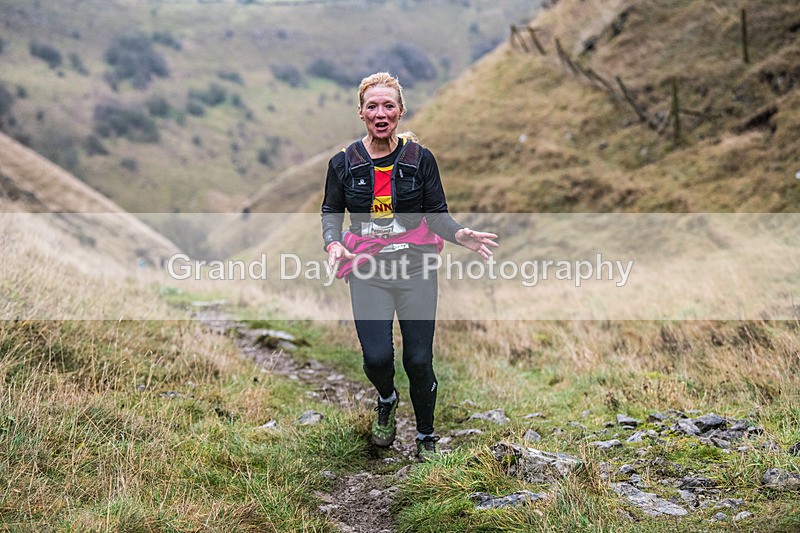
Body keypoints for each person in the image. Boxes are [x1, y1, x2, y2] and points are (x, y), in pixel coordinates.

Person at [321, 72, 497, 460]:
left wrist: (459, 234)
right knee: (377, 358)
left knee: (418, 359)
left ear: (400, 112)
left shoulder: (420, 159)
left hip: (415, 269)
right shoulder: (343, 163)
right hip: (366, 269)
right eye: (372, 106)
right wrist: (333, 242)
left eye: (388, 106)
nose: (380, 113)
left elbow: (436, 216)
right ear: (361, 112)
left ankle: (426, 437)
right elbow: (332, 211)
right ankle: (386, 397)